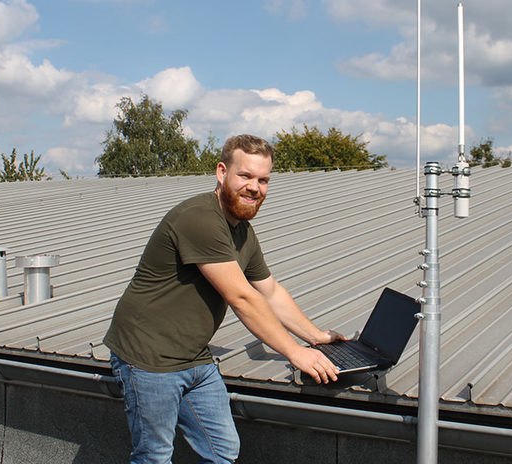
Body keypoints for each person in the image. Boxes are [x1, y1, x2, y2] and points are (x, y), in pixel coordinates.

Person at [103, 134, 344, 463]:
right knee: (153, 455)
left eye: (263, 180)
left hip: (194, 358)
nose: (254, 187)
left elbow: (269, 291)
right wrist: (295, 353)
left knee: (222, 450)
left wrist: (316, 337)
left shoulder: (243, 231)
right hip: (149, 358)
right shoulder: (200, 218)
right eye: (245, 176)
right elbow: (242, 297)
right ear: (221, 172)